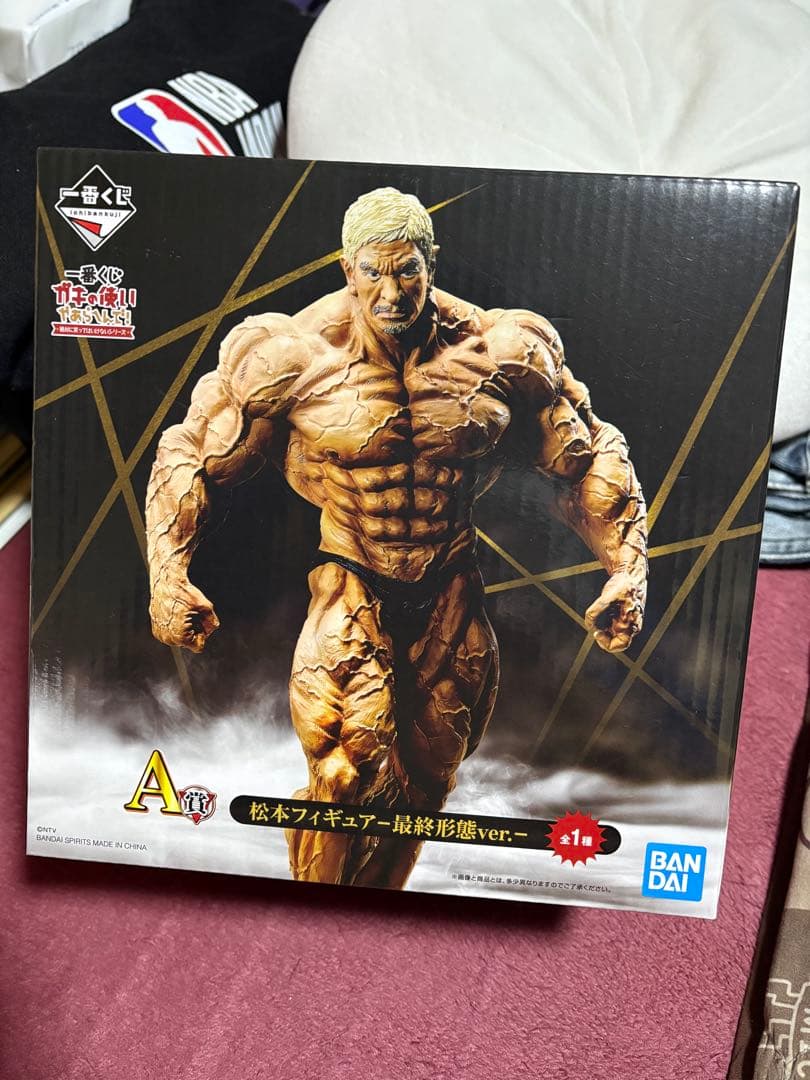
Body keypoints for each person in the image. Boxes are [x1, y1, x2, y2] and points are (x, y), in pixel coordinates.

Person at [145, 187, 648, 888]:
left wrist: (627, 568)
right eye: (373, 272)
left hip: (451, 587)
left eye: (408, 270)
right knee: (345, 773)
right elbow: (192, 453)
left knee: (422, 794)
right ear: (346, 269)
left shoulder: (502, 350)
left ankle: (372, 913)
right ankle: (315, 918)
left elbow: (589, 455)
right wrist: (167, 574)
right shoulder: (290, 355)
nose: (392, 292)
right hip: (351, 574)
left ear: (431, 264)